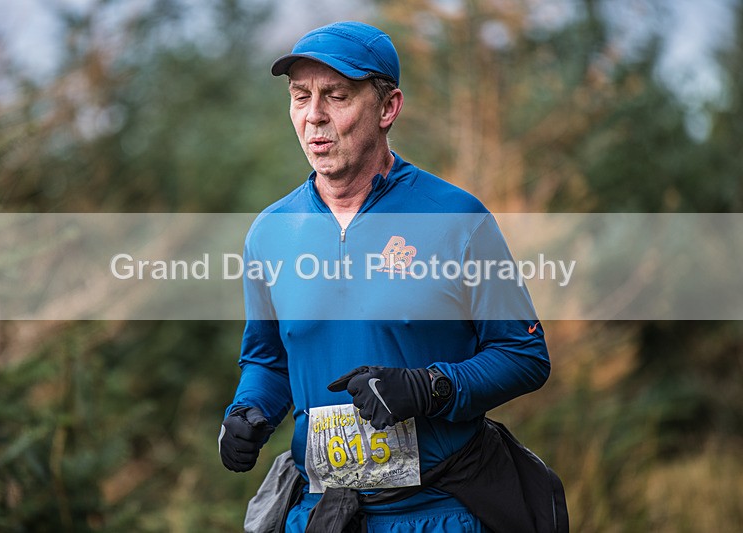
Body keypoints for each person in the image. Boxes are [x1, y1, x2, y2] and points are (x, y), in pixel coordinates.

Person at [219, 21, 552, 532]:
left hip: (440, 510)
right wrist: (247, 412)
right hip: (323, 512)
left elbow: (524, 355)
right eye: (300, 96)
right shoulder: (271, 232)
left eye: (337, 96)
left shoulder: (455, 218)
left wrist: (431, 387)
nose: (314, 117)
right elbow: (268, 359)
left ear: (388, 108)